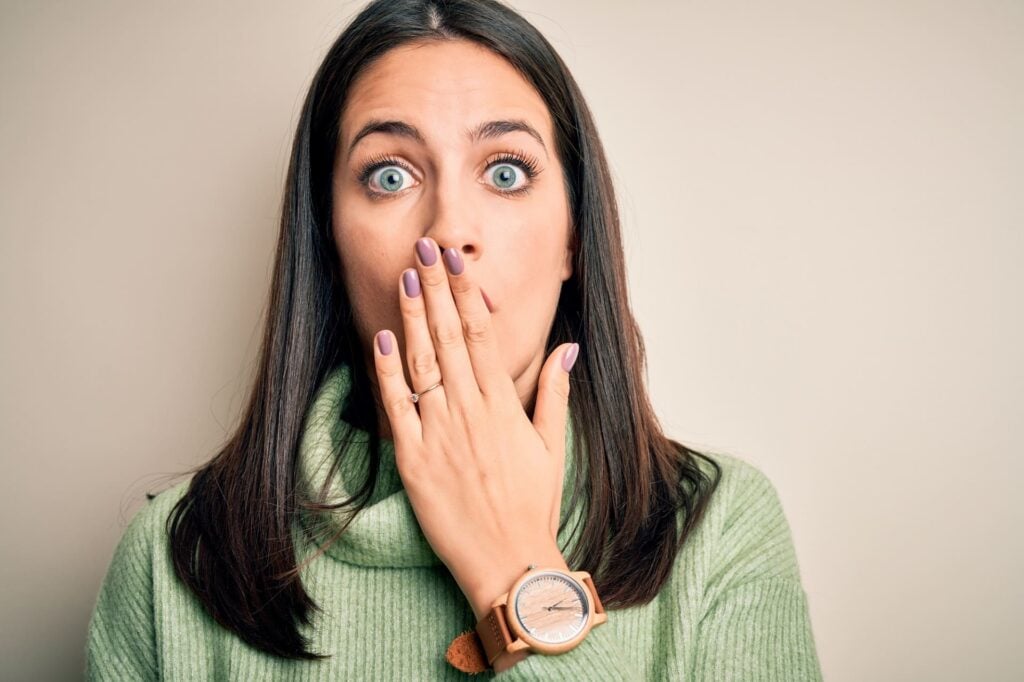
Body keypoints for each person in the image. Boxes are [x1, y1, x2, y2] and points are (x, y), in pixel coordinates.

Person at [85, 0, 824, 679]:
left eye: (506, 172)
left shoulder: (722, 528)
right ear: (329, 245)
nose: (447, 233)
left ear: (573, 237)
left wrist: (516, 572)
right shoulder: (171, 560)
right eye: (388, 176)